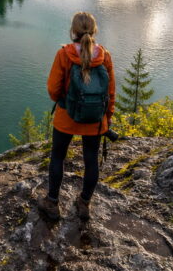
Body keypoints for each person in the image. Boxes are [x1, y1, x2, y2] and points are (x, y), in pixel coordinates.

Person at [37, 12, 115, 222]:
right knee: (91, 160)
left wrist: (65, 101)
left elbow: (53, 89)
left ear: (73, 31)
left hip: (66, 117)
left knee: (58, 157)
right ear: (94, 30)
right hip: (95, 120)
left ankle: (52, 203)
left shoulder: (65, 54)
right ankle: (84, 203)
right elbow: (110, 92)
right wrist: (107, 118)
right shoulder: (104, 55)